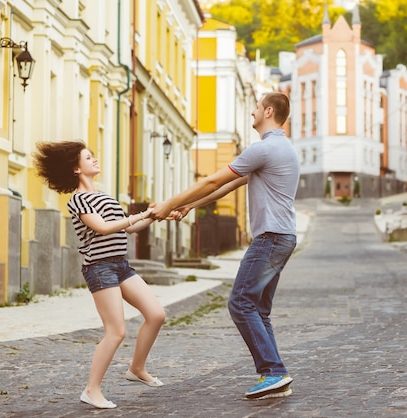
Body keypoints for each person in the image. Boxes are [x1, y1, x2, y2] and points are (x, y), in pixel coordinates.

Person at [151, 92, 300, 400]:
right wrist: (190, 206)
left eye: (256, 108)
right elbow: (229, 186)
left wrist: (169, 204)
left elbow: (213, 181)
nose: (252, 112)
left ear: (268, 111)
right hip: (283, 236)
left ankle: (273, 371)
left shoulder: (265, 148)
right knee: (258, 308)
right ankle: (273, 375)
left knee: (240, 302)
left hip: (271, 237)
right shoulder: (282, 148)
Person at [33, 140, 167, 409]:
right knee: (116, 331)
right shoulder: (78, 200)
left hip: (121, 265)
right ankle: (91, 390)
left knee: (156, 315)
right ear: (76, 169)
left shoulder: (105, 195)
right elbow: (104, 228)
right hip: (99, 267)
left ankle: (136, 369)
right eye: (88, 157)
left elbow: (127, 229)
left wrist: (157, 215)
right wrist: (140, 214)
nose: (94, 160)